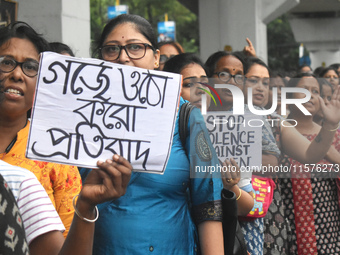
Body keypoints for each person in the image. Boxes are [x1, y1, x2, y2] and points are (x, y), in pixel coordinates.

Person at [91, 14, 224, 254]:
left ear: (156, 59)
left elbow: (208, 201)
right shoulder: (82, 119)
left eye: (135, 47)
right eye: (111, 49)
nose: (123, 57)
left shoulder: (185, 117)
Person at [0, 21, 82, 237]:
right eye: (6, 62)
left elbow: (70, 243)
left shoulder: (56, 151)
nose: (17, 75)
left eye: (30, 67)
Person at [281, 73, 340, 254]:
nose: (310, 95)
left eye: (315, 91)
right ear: (289, 97)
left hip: (330, 223)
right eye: (304, 90)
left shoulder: (333, 134)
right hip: (289, 221)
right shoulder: (279, 130)